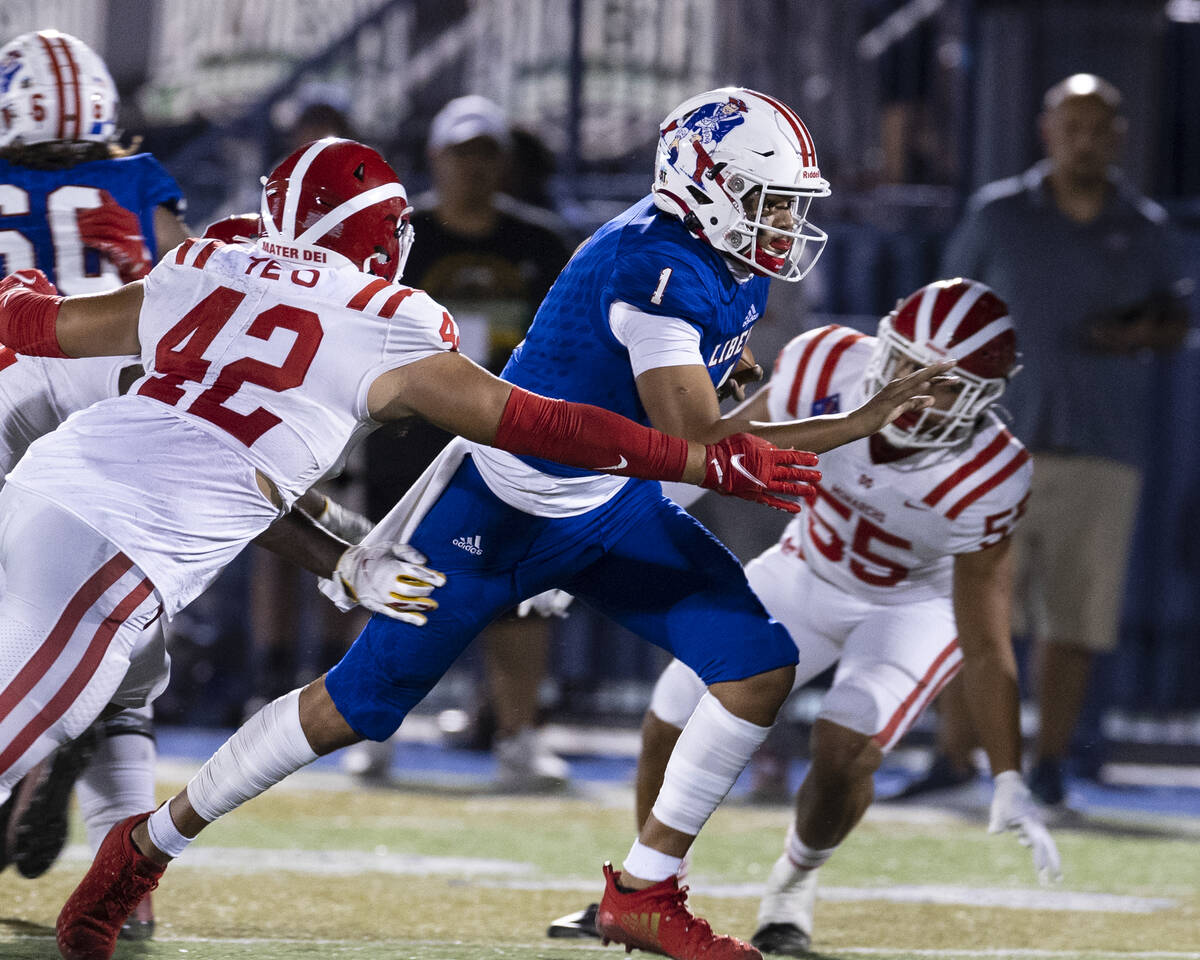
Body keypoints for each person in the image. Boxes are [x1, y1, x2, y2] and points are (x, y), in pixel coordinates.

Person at [52, 90, 951, 960]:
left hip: (607, 503)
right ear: (706, 184)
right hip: (501, 506)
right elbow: (691, 437)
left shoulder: (722, 258)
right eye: (768, 201)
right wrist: (850, 424)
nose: (783, 225)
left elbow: (697, 409)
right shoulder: (657, 264)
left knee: (758, 667)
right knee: (352, 709)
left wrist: (752, 390)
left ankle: (641, 895)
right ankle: (143, 849)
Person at [548, 279, 1062, 955]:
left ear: (980, 399)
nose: (912, 388)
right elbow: (713, 453)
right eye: (905, 362)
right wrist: (588, 539)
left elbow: (987, 639)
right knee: (670, 711)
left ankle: (791, 893)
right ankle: (647, 890)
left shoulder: (991, 474)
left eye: (940, 383)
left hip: (908, 604)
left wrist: (1007, 774)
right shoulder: (827, 363)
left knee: (843, 745)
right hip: (807, 567)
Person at [929, 73, 1192, 806]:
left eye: (1098, 127)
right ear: (1046, 132)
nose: (1084, 139)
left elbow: (1178, 319)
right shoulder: (1000, 215)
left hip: (1103, 446)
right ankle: (954, 761)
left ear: (1120, 137)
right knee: (973, 615)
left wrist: (1141, 332)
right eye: (1070, 125)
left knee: (1075, 619)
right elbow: (940, 315)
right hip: (991, 446)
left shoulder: (1146, 228)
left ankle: (1047, 767)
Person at [0, 28, 189, 940]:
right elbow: (192, 296)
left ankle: (34, 748)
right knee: (126, 670)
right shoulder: (138, 180)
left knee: (21, 634)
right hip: (112, 407)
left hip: (8, 384)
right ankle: (129, 888)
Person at [360, 94, 576, 789]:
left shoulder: (542, 243)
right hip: (408, 441)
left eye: (486, 154)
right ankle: (372, 726)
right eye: (463, 154)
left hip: (512, 443)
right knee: (394, 583)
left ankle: (519, 736)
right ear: (436, 159)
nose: (475, 168)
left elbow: (571, 338)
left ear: (502, 163)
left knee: (519, 595)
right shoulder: (400, 237)